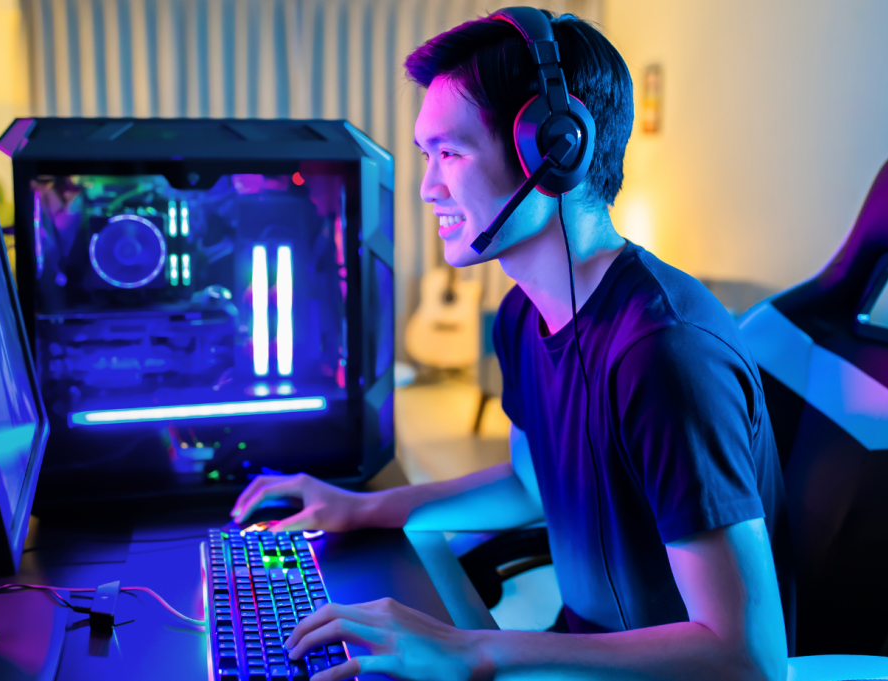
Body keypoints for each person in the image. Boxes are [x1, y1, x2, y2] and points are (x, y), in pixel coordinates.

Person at [231, 10, 792, 681]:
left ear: (553, 151)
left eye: (450, 153)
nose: (427, 187)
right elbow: (531, 482)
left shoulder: (664, 354)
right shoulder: (521, 316)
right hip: (581, 657)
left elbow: (747, 657)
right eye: (426, 155)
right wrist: (359, 507)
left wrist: (476, 648)